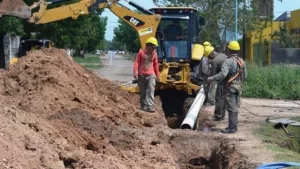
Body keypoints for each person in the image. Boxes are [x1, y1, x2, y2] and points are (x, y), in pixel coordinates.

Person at [207, 41, 247, 133]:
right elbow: (245, 75)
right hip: (238, 87)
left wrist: (212, 78)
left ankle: (232, 128)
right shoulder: (241, 61)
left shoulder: (228, 61)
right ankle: (233, 127)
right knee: (234, 107)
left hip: (230, 87)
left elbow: (222, 74)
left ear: (229, 49)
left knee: (231, 108)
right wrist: (240, 84)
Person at [133, 37, 160, 113]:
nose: (154, 49)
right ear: (148, 45)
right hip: (141, 75)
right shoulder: (141, 52)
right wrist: (135, 71)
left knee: (151, 90)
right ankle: (143, 106)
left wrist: (158, 75)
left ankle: (150, 106)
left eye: (155, 47)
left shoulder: (154, 54)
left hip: (151, 75)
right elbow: (137, 62)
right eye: (153, 47)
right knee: (143, 91)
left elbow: (156, 65)